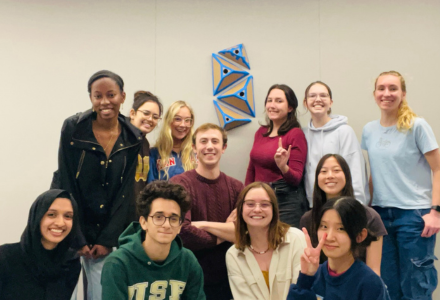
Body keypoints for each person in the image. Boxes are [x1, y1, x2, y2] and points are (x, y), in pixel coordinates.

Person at [56, 70, 142, 299]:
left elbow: (126, 193)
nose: (105, 102)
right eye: (97, 96)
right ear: (91, 98)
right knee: (67, 292)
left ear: (123, 97)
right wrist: (77, 237)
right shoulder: (73, 128)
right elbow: (65, 181)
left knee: (102, 294)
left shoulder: (134, 138)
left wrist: (106, 240)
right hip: (71, 225)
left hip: (108, 233)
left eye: (111, 94)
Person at [362, 70, 440, 299]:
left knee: (416, 286)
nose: (387, 93)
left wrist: (435, 212)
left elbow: (438, 169)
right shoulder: (369, 130)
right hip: (380, 216)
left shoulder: (417, 126)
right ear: (375, 93)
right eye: (381, 88)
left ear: (403, 93)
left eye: (393, 88)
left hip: (414, 216)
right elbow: (375, 174)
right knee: (386, 285)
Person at [170, 123, 243, 300]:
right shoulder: (180, 184)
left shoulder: (237, 187)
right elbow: (183, 233)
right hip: (188, 277)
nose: (209, 146)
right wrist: (225, 231)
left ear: (223, 147)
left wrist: (202, 225)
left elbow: (244, 233)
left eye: (214, 141)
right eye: (203, 141)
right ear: (194, 147)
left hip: (229, 278)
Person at [101, 181, 206, 300]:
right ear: (143, 222)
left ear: (180, 226)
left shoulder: (188, 261)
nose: (166, 225)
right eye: (159, 217)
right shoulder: (117, 263)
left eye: (173, 218)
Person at [287, 197, 390, 300]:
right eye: (324, 226)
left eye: (341, 229)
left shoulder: (370, 282)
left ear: (360, 236)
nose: (330, 237)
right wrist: (305, 278)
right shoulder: (314, 275)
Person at [299, 154, 386, 275]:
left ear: (347, 176)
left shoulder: (369, 217)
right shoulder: (308, 219)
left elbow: (374, 270)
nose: (330, 176)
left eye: (336, 170)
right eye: (324, 171)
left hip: (360, 286)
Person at [226, 182, 307, 300]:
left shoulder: (296, 238)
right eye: (250, 204)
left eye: (264, 204)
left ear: (274, 209)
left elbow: (302, 291)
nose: (257, 209)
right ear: (240, 210)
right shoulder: (234, 255)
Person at [245, 84, 308, 228]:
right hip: (259, 199)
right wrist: (245, 199)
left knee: (285, 245)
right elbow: (251, 169)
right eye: (269, 100)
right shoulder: (261, 132)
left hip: (285, 200)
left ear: (290, 107)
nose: (272, 105)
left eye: (279, 101)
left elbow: (296, 178)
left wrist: (283, 167)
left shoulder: (295, 134)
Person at [0, 189, 81, 300]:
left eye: (68, 216)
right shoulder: (6, 257)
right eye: (51, 214)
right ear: (37, 216)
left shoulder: (71, 261)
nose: (60, 223)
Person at [302, 81, 369, 206]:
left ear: (330, 102)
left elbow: (355, 170)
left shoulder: (344, 132)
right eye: (312, 96)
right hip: (314, 207)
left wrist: (357, 205)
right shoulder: (303, 135)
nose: (318, 99)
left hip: (342, 207)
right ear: (305, 103)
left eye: (323, 95)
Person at [129, 91, 163, 212]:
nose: (150, 119)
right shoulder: (121, 138)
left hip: (135, 212)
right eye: (146, 113)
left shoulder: (144, 143)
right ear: (132, 113)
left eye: (155, 117)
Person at [148, 100, 195, 182]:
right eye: (178, 119)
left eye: (187, 120)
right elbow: (150, 189)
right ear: (168, 121)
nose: (183, 125)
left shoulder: (196, 153)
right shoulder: (154, 154)